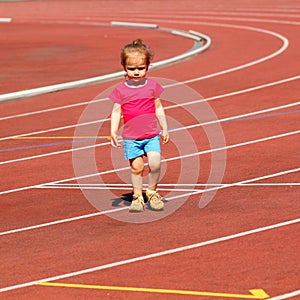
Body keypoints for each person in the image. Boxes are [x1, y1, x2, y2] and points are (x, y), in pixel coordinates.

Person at [109, 38, 169, 212]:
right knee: (137, 168)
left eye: (141, 68)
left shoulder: (152, 86)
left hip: (151, 135)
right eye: (131, 69)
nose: (136, 72)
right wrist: (113, 130)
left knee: (155, 163)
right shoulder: (121, 90)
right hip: (131, 138)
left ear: (148, 67)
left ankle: (152, 192)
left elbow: (158, 107)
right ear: (124, 67)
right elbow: (116, 111)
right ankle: (137, 197)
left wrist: (164, 127)